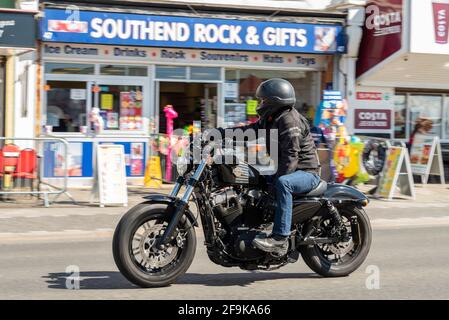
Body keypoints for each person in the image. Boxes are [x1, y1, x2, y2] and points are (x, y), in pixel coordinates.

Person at [217, 78, 321, 256]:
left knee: (283, 183)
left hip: (306, 173)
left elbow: (291, 156)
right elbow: (248, 132)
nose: (260, 103)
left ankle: (279, 239)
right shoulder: (271, 119)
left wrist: (274, 186)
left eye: (263, 100)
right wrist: (218, 133)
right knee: (251, 177)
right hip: (286, 170)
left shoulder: (289, 120)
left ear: (274, 100)